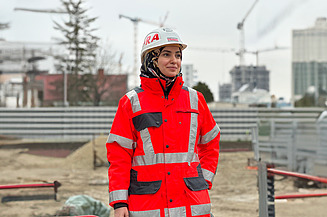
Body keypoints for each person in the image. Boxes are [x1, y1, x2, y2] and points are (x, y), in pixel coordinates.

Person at [106, 27, 220, 217]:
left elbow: (211, 141)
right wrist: (119, 203)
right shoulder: (131, 103)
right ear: (151, 58)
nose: (174, 60)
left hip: (191, 204)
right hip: (148, 205)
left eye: (178, 55)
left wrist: (203, 180)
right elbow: (119, 154)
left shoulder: (195, 99)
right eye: (166, 54)